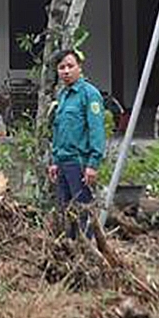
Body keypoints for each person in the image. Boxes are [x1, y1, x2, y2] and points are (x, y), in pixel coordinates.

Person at [47, 49, 106, 239]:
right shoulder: (63, 96)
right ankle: (71, 252)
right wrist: (55, 161)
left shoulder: (89, 94)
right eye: (61, 67)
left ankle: (87, 254)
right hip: (63, 162)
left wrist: (93, 164)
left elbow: (96, 130)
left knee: (83, 211)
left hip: (80, 163)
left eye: (70, 66)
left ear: (79, 68)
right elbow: (58, 130)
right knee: (68, 212)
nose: (66, 71)